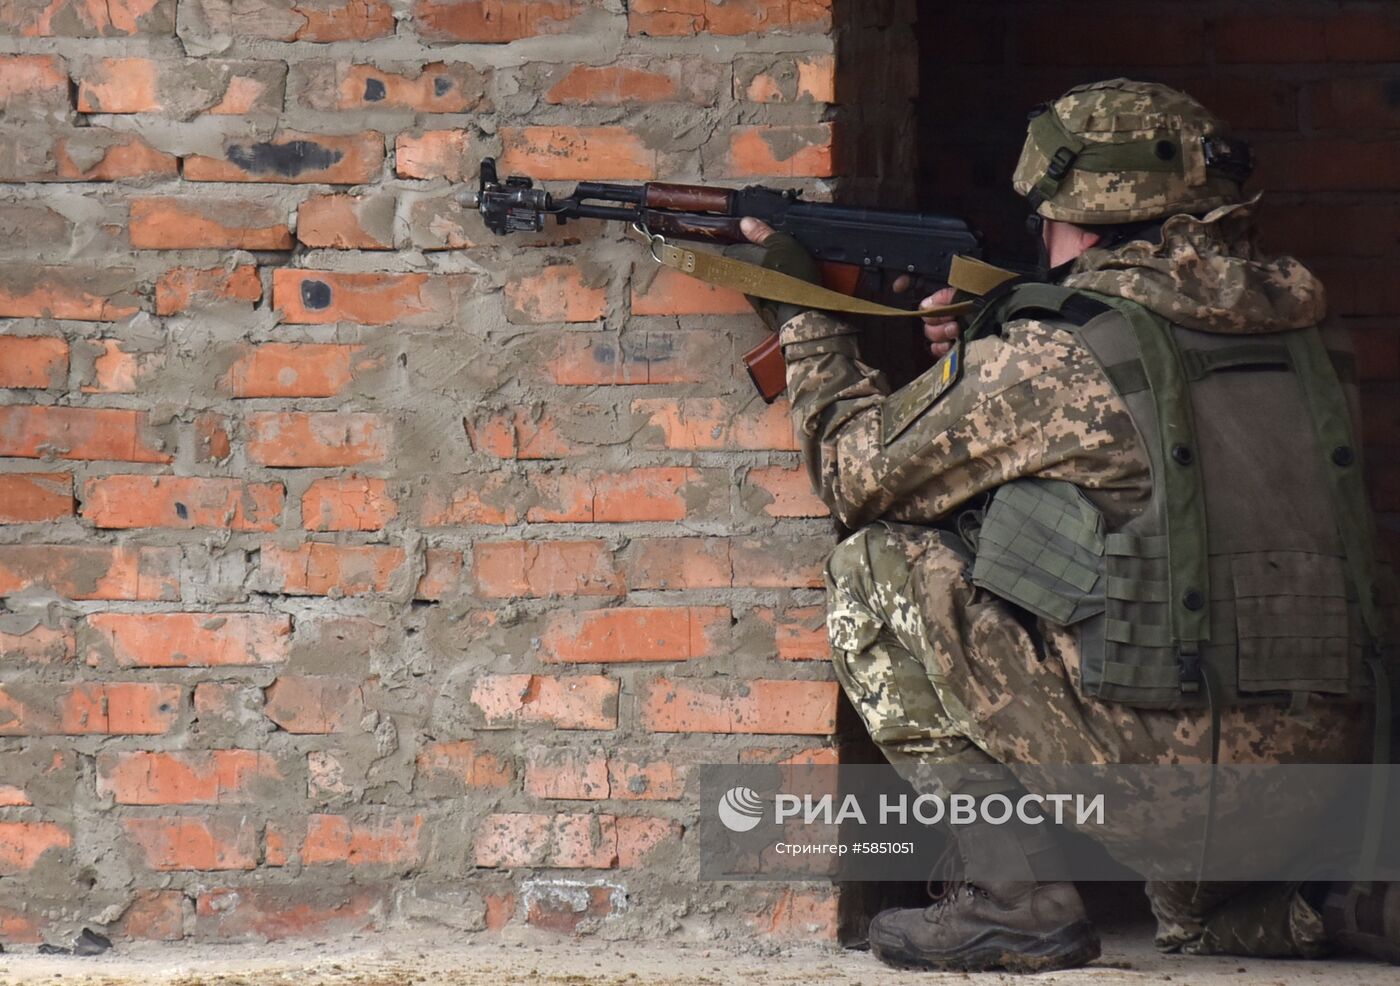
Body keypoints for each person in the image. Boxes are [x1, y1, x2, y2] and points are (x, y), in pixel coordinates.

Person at [734, 79, 1397, 972]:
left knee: (876, 565)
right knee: (1194, 919)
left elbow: (857, 474)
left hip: (1164, 787)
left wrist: (806, 322)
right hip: (1330, 781)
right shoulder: (1316, 336)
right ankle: (1332, 903)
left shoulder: (1054, 353)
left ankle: (1015, 901)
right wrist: (993, 348)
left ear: (1073, 215)